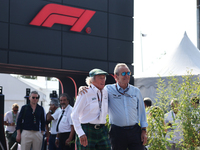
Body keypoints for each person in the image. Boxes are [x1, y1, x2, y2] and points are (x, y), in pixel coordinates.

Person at [79, 63, 148, 150]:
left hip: (134, 131)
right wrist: (83, 88)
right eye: (123, 73)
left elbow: (142, 112)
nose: (126, 76)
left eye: (128, 73)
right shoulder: (107, 90)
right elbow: (95, 89)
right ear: (116, 77)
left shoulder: (136, 91)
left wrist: (144, 130)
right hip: (117, 132)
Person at [71, 68, 111, 150]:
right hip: (87, 130)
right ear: (92, 80)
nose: (103, 80)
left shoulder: (106, 91)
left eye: (104, 78)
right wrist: (80, 133)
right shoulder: (85, 92)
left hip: (102, 130)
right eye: (100, 78)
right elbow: (74, 115)